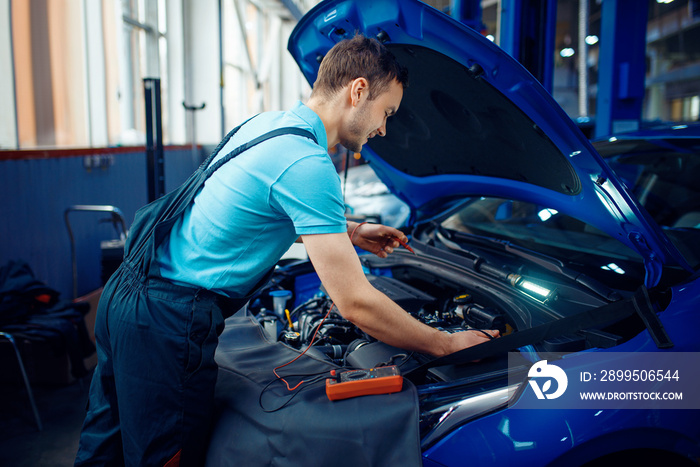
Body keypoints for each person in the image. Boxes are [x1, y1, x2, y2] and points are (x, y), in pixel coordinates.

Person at [75, 34, 499, 466]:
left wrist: (347, 230)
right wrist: (444, 345)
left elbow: (245, 213)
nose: (384, 129)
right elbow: (354, 303)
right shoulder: (308, 164)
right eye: (386, 112)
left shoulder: (265, 126)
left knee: (103, 450)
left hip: (126, 298)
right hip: (166, 322)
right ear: (358, 91)